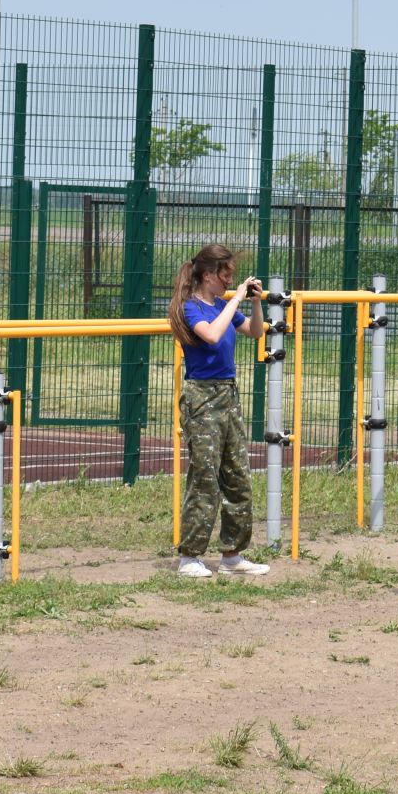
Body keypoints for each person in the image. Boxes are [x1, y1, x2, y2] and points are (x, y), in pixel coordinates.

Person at [168, 244, 271, 578]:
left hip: (228, 393)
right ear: (209, 275)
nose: (231, 279)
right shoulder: (191, 307)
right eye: (226, 273)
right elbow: (211, 336)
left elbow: (256, 332)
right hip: (202, 397)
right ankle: (190, 556)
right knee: (205, 477)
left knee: (238, 475)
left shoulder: (223, 305)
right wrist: (238, 299)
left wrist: (253, 302)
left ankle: (232, 554)